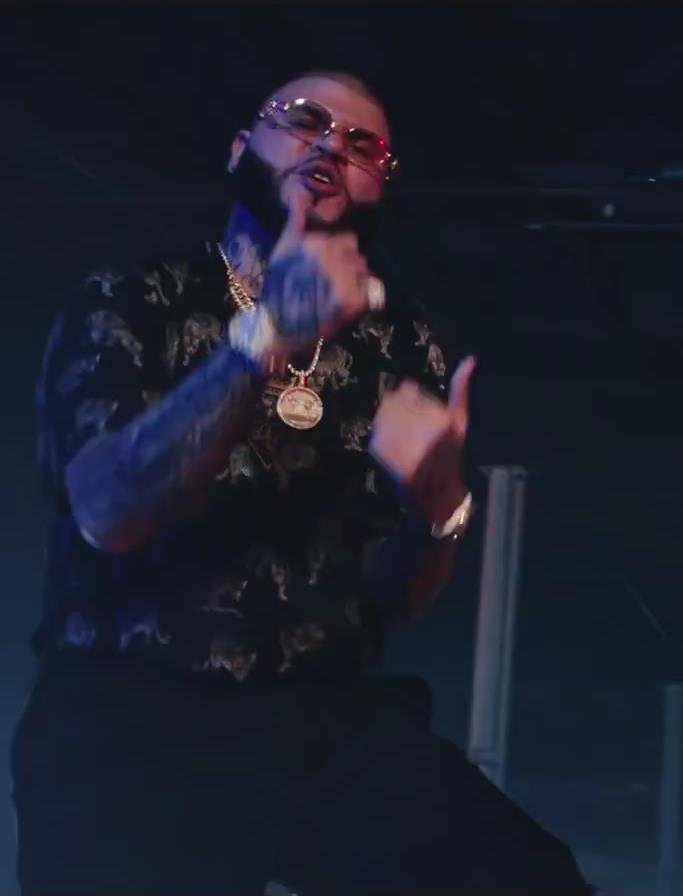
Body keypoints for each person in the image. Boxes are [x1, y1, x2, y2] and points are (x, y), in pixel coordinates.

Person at [14, 71, 592, 895]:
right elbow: (108, 513)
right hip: (133, 709)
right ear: (239, 149)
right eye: (304, 119)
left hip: (324, 712)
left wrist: (438, 510)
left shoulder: (403, 346)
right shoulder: (133, 300)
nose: (330, 144)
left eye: (363, 144)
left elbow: (393, 602)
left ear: (380, 188)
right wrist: (265, 341)